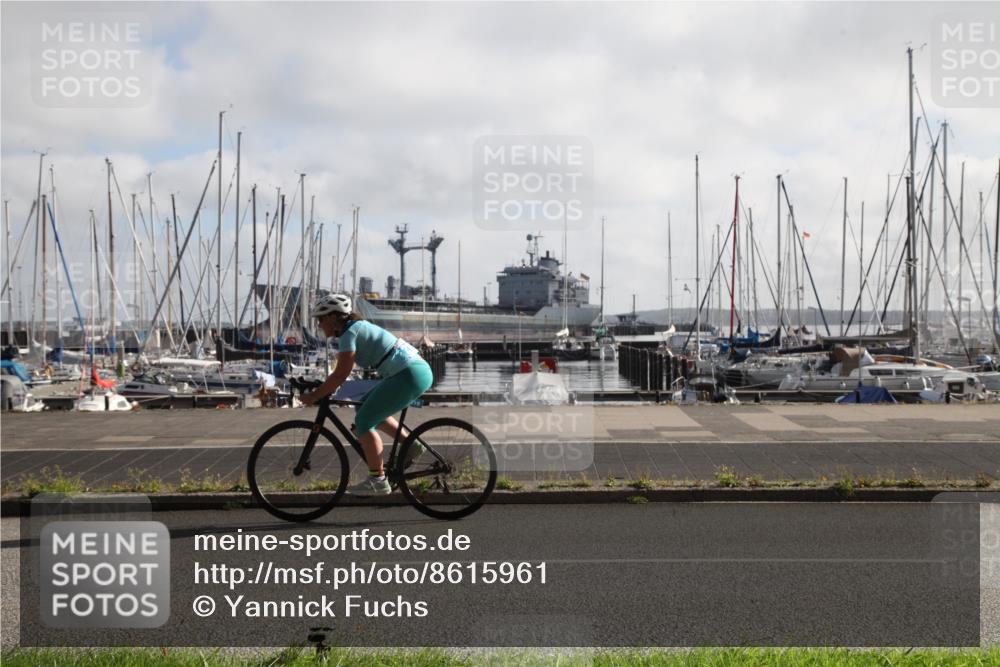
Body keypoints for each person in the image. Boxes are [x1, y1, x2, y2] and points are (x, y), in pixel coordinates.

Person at [300, 293, 433, 495]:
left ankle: (378, 480)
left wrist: (315, 395)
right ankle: (411, 445)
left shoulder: (349, 334)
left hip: (408, 374)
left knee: (364, 421)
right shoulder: (354, 329)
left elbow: (341, 374)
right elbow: (340, 374)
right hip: (411, 371)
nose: (319, 325)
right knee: (363, 406)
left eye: (320, 319)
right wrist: (326, 387)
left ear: (332, 318)